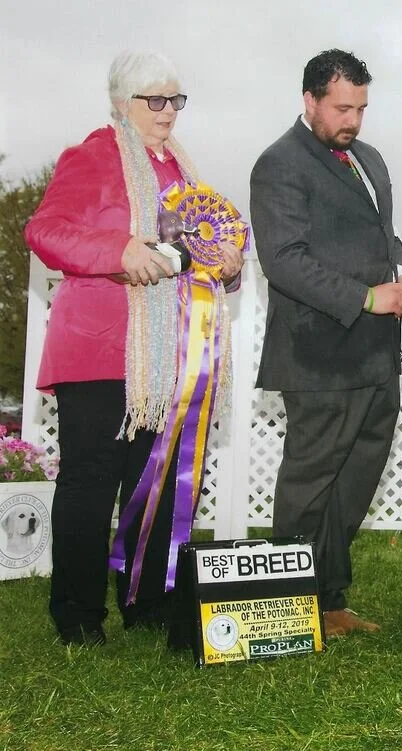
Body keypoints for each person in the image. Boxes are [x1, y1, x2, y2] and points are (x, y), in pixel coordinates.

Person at [24, 51, 244, 646]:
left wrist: (226, 262)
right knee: (91, 483)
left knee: (160, 479)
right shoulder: (93, 155)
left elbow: (201, 244)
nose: (169, 111)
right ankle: (76, 613)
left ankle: (148, 601)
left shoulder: (183, 171)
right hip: (98, 350)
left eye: (176, 99)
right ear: (123, 103)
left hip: (172, 352)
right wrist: (118, 251)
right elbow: (45, 231)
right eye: (156, 100)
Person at [251, 49, 402, 638]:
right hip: (317, 354)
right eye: (342, 107)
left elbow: (383, 236)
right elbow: (284, 261)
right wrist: (367, 298)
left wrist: (397, 273)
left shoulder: (368, 158)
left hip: (376, 355)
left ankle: (329, 599)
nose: (353, 119)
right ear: (310, 100)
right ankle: (283, 607)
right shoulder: (279, 164)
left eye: (361, 108)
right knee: (310, 483)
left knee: (356, 479)